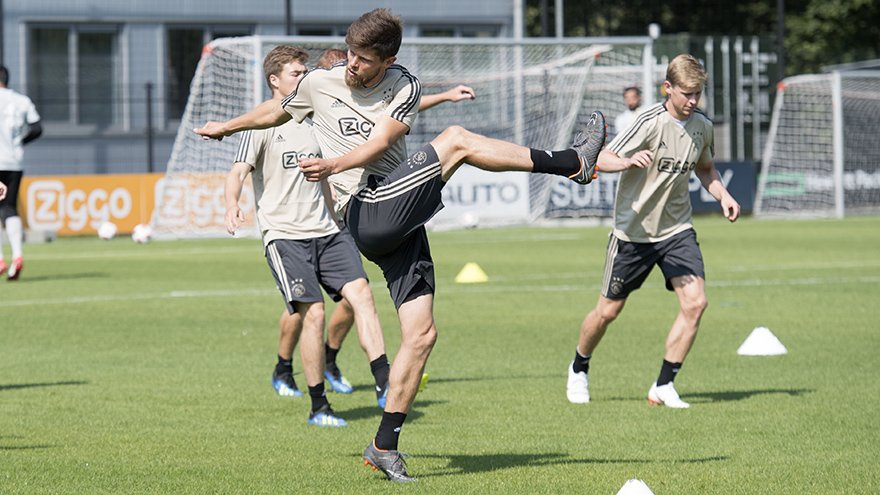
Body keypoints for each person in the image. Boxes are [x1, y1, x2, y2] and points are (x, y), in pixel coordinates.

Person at [197, 8, 606, 482]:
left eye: (364, 59)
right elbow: (277, 109)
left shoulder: (404, 86)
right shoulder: (321, 80)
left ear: (387, 61)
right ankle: (572, 162)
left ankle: (383, 445)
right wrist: (228, 127)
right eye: (350, 53)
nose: (352, 64)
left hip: (396, 210)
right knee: (456, 140)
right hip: (365, 209)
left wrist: (332, 164)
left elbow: (382, 141)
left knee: (422, 335)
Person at [225, 45, 391, 426]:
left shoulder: (319, 118)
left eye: (305, 72)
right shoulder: (262, 124)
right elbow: (237, 172)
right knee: (312, 313)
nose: (304, 78)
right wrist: (231, 202)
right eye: (296, 74)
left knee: (362, 295)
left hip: (328, 230)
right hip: (284, 235)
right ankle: (319, 407)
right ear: (275, 80)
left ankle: (385, 381)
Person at [565, 54, 741, 409]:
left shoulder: (702, 126)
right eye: (687, 93)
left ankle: (664, 384)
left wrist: (723, 195)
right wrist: (627, 161)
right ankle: (579, 367)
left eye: (697, 93)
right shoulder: (647, 121)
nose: (692, 100)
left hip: (676, 230)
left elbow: (706, 168)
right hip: (633, 234)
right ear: (668, 88)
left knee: (696, 303)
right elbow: (601, 157)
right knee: (607, 312)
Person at [303, 47, 476, 394]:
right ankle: (343, 369)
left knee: (356, 297)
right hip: (336, 216)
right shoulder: (318, 111)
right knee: (344, 300)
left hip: (367, 207)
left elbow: (402, 109)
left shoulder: (367, 102)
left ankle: (342, 362)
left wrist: (444, 96)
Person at [0, 65, 42, 281]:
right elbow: (37, 128)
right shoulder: (21, 100)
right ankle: (17, 255)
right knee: (9, 207)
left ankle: (0, 259)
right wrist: (20, 142)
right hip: (14, 162)